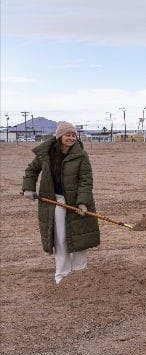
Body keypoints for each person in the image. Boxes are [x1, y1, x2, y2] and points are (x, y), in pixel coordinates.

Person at [22, 121, 100, 284]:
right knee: (60, 238)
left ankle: (79, 273)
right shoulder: (47, 153)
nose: (71, 138)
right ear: (60, 136)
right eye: (68, 135)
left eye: (73, 135)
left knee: (79, 238)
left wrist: (83, 203)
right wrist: (28, 188)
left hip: (76, 202)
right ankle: (62, 275)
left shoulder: (81, 155)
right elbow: (31, 170)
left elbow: (86, 180)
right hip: (54, 201)